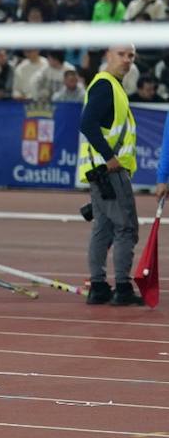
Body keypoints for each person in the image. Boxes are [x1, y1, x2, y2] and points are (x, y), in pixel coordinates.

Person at [80, 45, 142, 307]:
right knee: (125, 228)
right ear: (108, 55)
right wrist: (110, 157)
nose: (128, 60)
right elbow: (87, 123)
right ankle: (123, 288)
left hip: (101, 173)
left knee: (102, 228)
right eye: (122, 55)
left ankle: (98, 287)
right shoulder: (106, 86)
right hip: (111, 172)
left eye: (131, 57)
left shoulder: (108, 85)